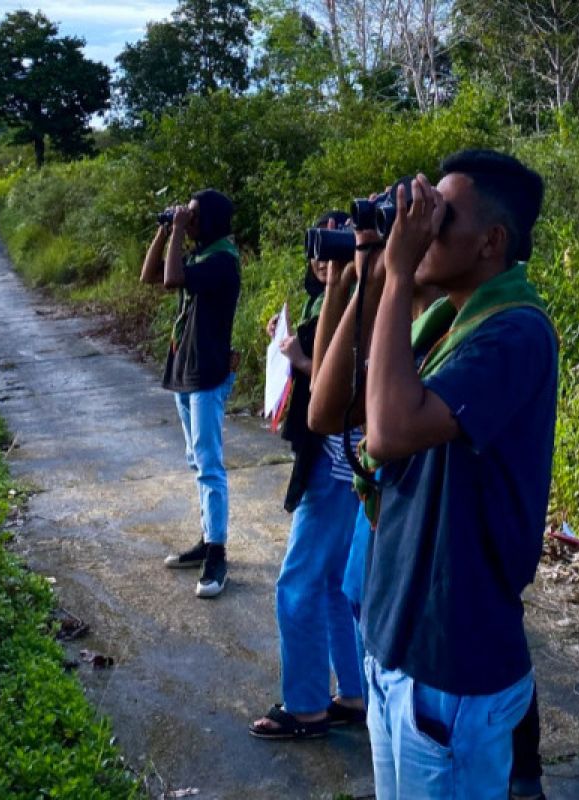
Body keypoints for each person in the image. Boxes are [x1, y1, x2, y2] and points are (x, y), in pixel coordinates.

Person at [360, 150, 558, 800]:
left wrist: (396, 275)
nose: (421, 229)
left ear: (490, 243)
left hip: (450, 665)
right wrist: (376, 272)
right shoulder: (446, 320)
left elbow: (388, 432)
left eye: (439, 219)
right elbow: (340, 408)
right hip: (399, 645)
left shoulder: (515, 334)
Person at [248, 211, 366, 739]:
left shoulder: (365, 300)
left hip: (339, 462)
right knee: (337, 585)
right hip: (337, 460)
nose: (324, 258)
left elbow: (340, 389)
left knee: (297, 582)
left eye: (338, 243)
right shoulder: (330, 301)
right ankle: (353, 693)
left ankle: (306, 706)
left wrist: (298, 357)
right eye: (318, 245)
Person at [141, 189, 240, 599]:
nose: (190, 220)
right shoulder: (201, 255)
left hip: (208, 371)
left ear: (213, 220)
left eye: (196, 215)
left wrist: (179, 228)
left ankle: (217, 553)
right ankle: (206, 538)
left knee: (209, 463)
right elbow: (151, 276)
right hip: (185, 365)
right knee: (194, 460)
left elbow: (172, 279)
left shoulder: (222, 260)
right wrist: (166, 233)